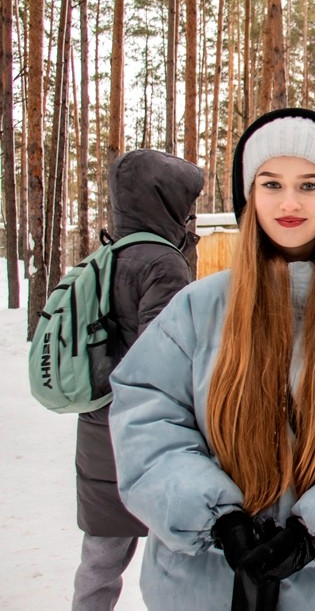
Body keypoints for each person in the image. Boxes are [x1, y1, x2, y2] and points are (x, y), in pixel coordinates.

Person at [108, 107, 315, 610]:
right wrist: (218, 520)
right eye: (271, 184)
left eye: (309, 185)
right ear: (249, 195)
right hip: (203, 587)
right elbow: (147, 420)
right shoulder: (197, 310)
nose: (289, 202)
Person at [72, 149, 204, 611]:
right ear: (164, 201)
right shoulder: (162, 263)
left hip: (96, 424)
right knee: (170, 563)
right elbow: (161, 360)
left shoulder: (108, 254)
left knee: (100, 559)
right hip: (142, 433)